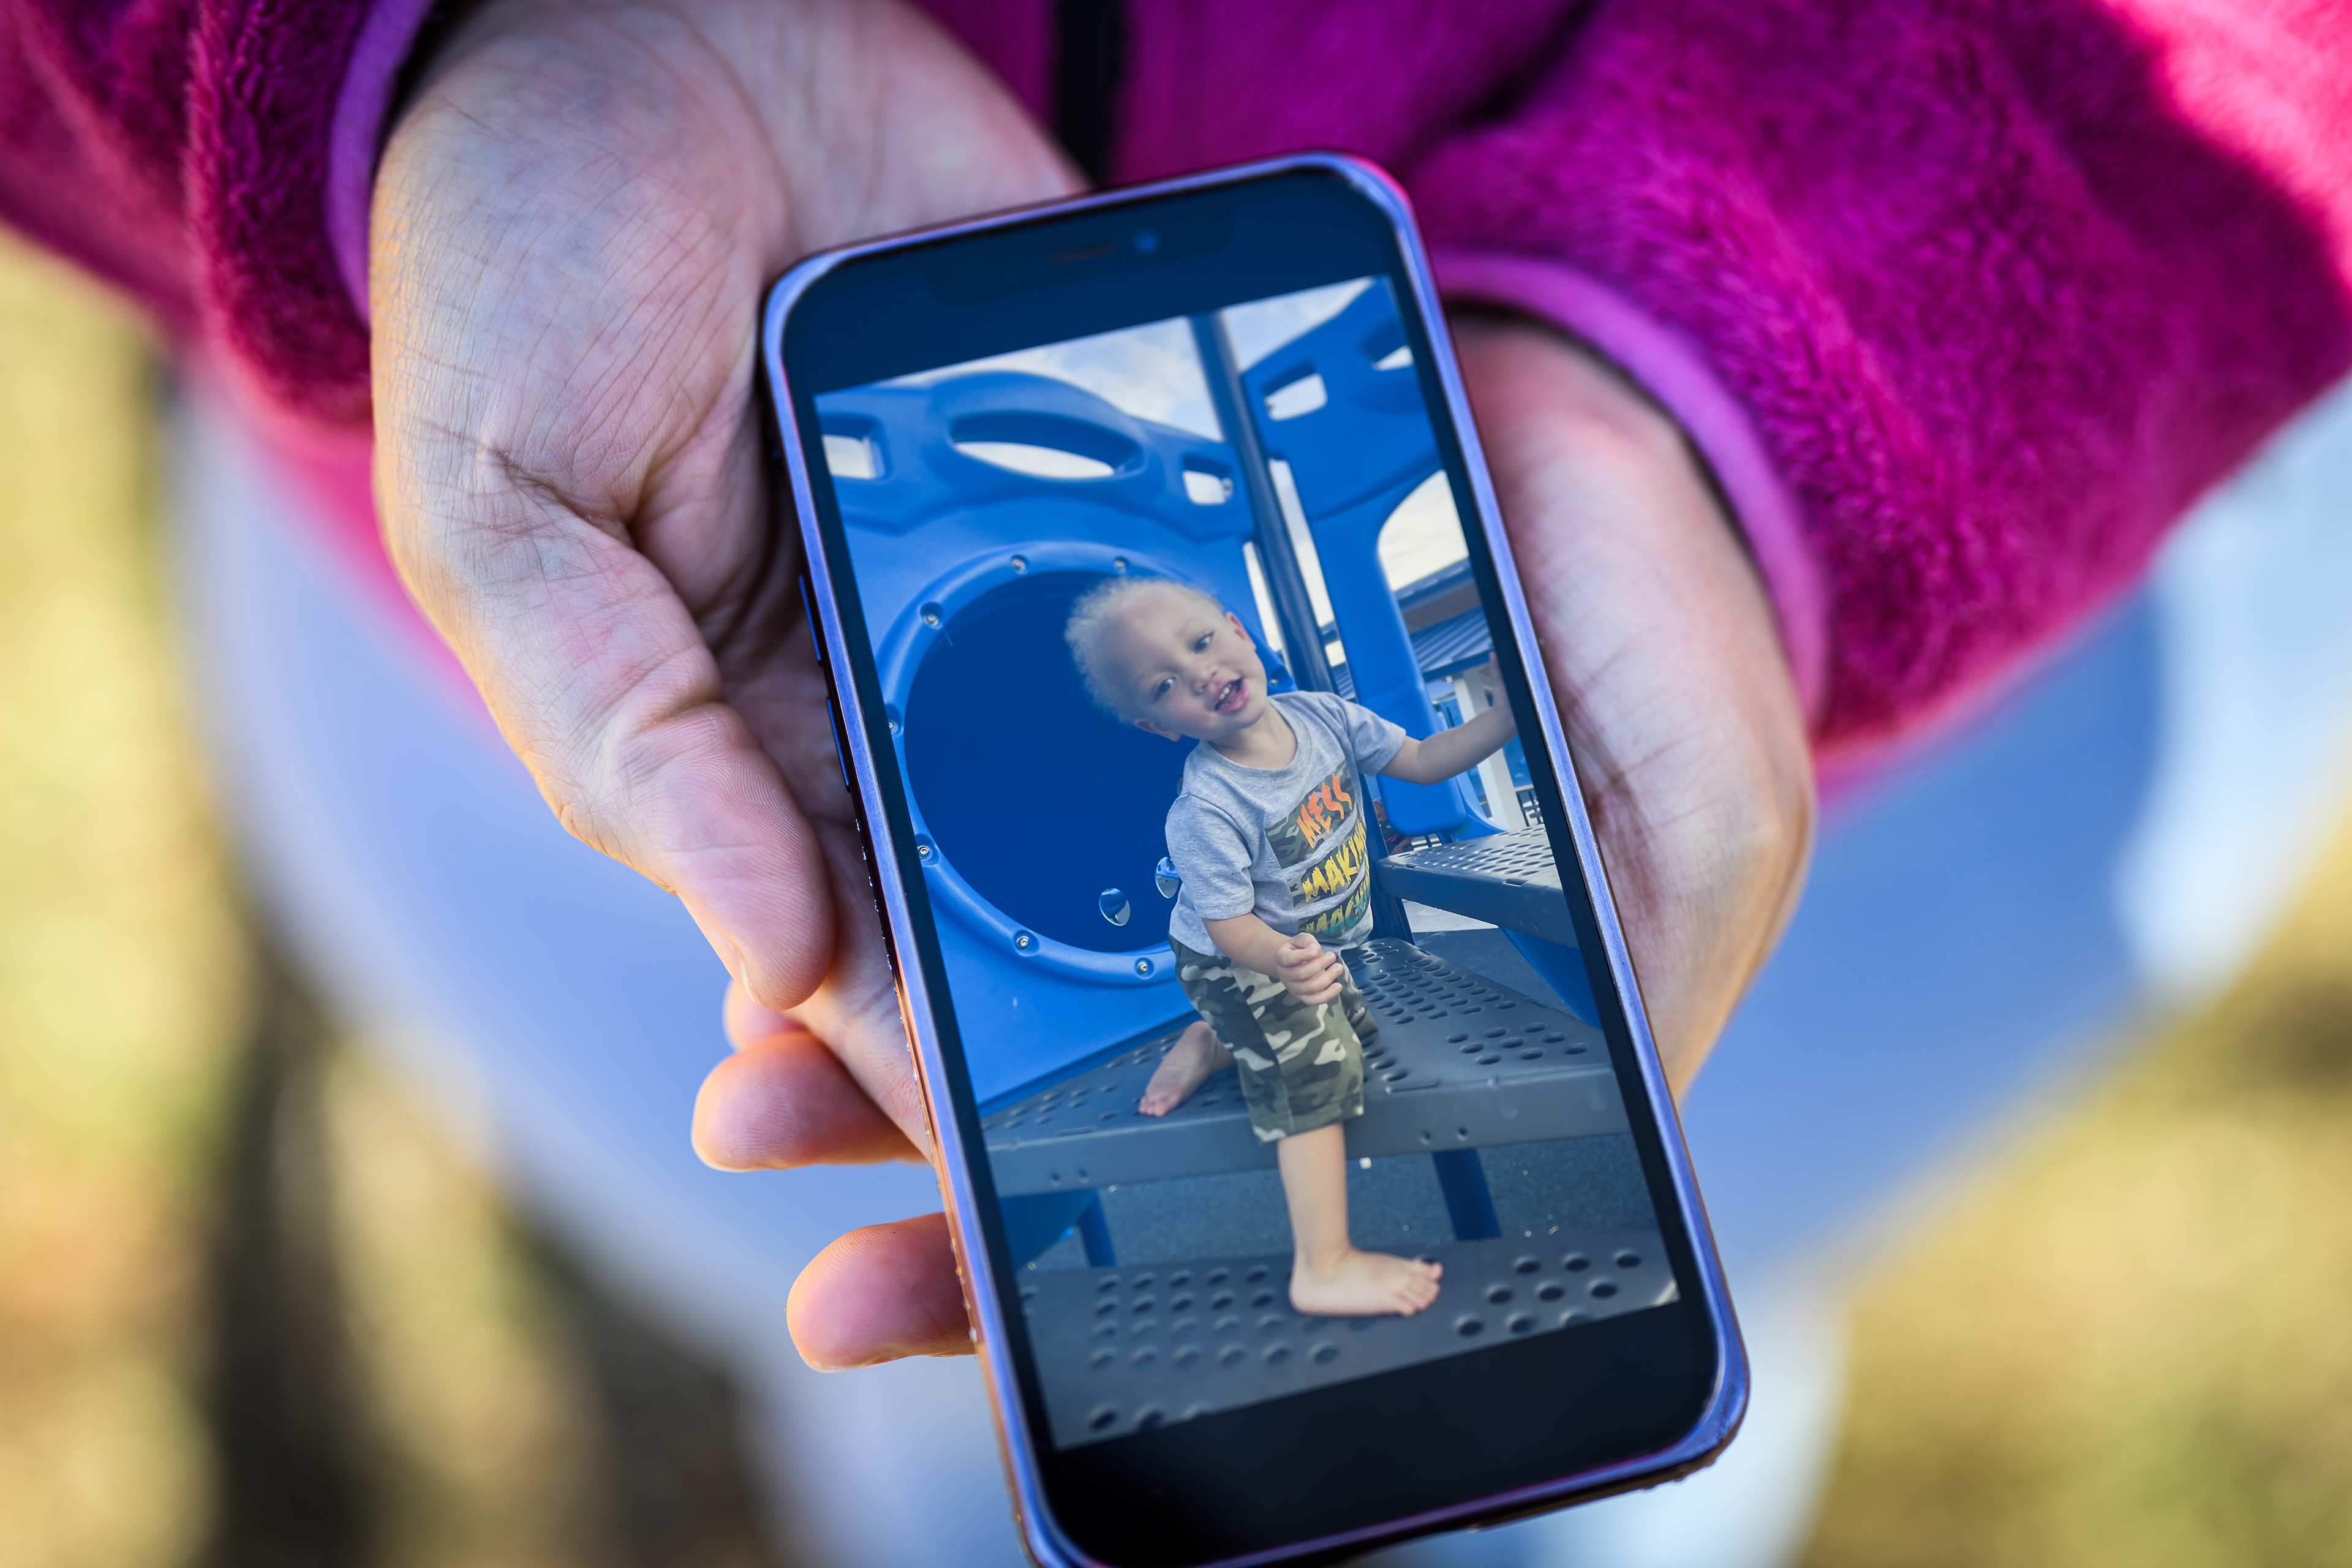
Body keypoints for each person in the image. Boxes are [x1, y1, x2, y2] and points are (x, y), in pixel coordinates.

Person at [2, 1, 2348, 1562]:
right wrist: (380, 51)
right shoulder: (1177, 793)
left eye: (1221, 635)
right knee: (1006, 1373)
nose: (1228, 660)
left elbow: (1419, 735)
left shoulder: (1305, 721)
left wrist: (1758, 361)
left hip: (1947, 689)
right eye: (1185, 655)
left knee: (1535, 1397)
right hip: (592, 698)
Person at [1063, 574, 1520, 1316]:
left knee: (1349, 1031)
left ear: (1240, 631)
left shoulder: (1324, 715)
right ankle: (1324, 1265)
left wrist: (1505, 717)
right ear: (1158, 724)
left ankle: (1213, 1040)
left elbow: (1426, 761)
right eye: (1167, 682)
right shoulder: (1207, 807)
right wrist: (1278, 959)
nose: (1202, 672)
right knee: (1320, 1064)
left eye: (1203, 641)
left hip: (1299, 952)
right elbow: (1228, 927)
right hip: (1233, 957)